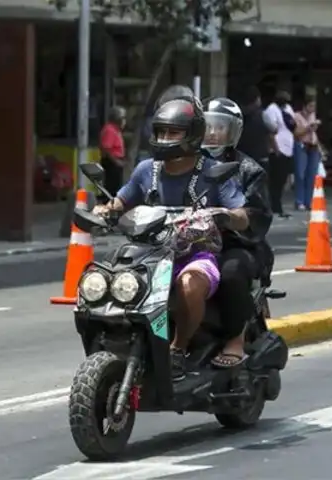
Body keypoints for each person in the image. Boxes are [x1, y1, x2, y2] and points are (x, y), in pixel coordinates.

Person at [93, 95, 249, 381]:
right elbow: (121, 201)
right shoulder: (146, 170)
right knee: (104, 285)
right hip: (149, 254)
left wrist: (227, 215)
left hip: (196, 255)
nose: (165, 138)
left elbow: (241, 213)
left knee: (189, 285)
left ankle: (178, 348)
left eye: (173, 133)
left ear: (192, 135)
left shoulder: (212, 172)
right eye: (161, 132)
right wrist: (106, 209)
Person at [202, 96, 274, 367]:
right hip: (185, 244)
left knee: (230, 273)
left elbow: (257, 216)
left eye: (220, 127)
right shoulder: (184, 165)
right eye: (208, 126)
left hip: (235, 245)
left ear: (233, 132)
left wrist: (231, 218)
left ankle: (235, 340)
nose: (213, 132)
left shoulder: (248, 169)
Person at [264, 86, 296, 218]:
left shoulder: (288, 109)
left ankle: (277, 205)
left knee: (282, 180)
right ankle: (274, 206)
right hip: (277, 150)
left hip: (288, 148)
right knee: (275, 181)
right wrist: (275, 149)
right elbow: (271, 132)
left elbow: (293, 124)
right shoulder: (271, 110)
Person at [236, 85, 277, 170]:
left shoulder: (237, 114)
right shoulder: (263, 115)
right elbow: (274, 129)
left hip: (243, 158)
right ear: (257, 99)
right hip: (260, 158)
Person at [293, 96, 322, 211]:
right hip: (302, 146)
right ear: (305, 106)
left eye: (314, 106)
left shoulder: (313, 116)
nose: (313, 108)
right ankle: (299, 201)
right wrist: (309, 128)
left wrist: (320, 147)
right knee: (300, 174)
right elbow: (296, 133)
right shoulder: (296, 116)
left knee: (312, 175)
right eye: (311, 106)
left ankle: (309, 201)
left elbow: (314, 133)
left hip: (313, 146)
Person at [99, 106, 127, 200]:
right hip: (111, 163)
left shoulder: (116, 130)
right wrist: (116, 162)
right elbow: (106, 149)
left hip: (116, 162)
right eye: (123, 118)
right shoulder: (109, 130)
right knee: (111, 188)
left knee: (116, 187)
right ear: (117, 119)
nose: (124, 121)